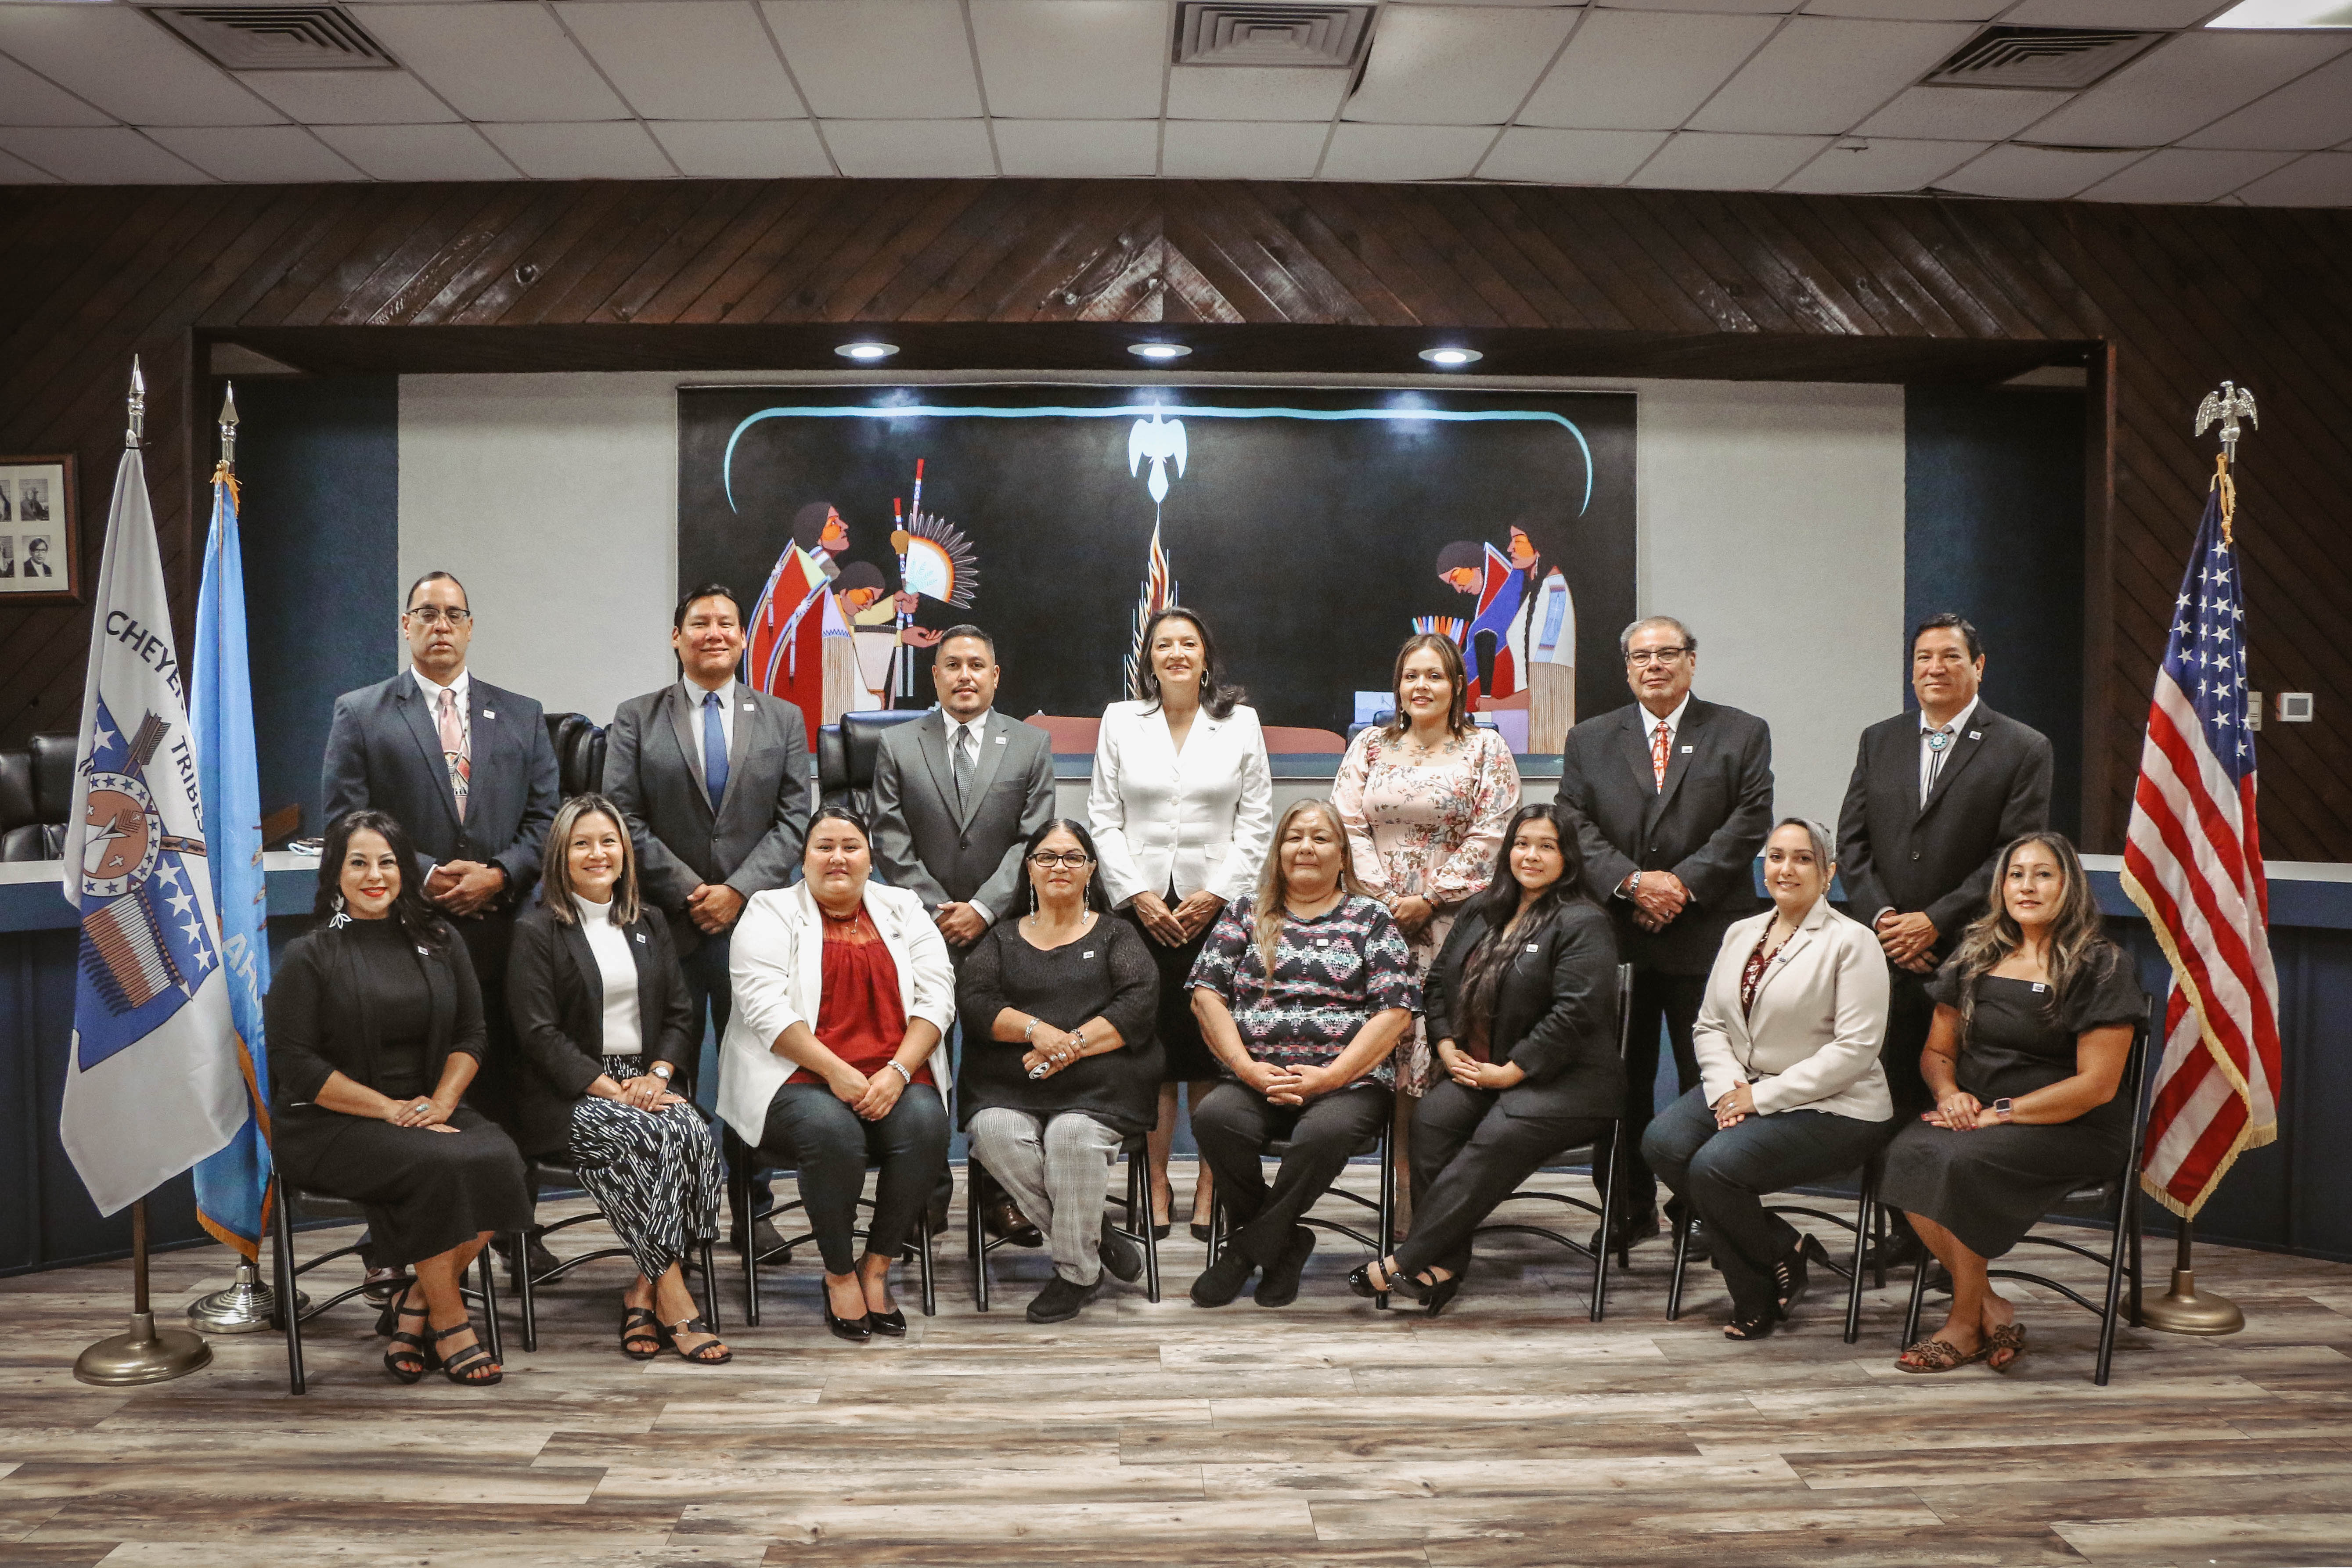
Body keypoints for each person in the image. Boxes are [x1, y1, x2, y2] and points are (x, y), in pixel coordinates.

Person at [322, 570, 560, 1287]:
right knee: (408, 1077)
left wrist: (499, 873)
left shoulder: (520, 715)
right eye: (426, 613)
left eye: (454, 614)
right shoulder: (362, 713)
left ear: (471, 626)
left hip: (503, 929)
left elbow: (546, 821)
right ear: (406, 625)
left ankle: (515, 1226)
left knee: (507, 1077)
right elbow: (345, 821)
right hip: (407, 931)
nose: (441, 626)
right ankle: (393, 1243)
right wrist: (424, 875)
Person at [264, 809, 531, 1387]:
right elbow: (296, 1065)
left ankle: (414, 1304)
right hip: (330, 1121)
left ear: (406, 870)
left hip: (426, 1107)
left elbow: (471, 1034)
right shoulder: (310, 954)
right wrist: (389, 1110)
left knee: (503, 1161)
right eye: (358, 863)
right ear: (335, 873)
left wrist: (441, 1103)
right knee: (438, 1165)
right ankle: (451, 1324)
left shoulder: (441, 940)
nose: (374, 875)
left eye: (387, 862)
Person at [1881, 833, 2143, 1374]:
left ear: (2069, 885)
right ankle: (1989, 1305)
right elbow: (1937, 1051)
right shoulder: (1974, 954)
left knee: (1958, 1162)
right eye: (2015, 874)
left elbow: (2096, 1085)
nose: (2026, 886)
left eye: (2042, 874)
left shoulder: (2100, 964)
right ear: (2000, 887)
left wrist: (1997, 1113)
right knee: (1903, 1152)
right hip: (1976, 1114)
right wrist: (1949, 1094)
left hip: (2072, 1123)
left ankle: (1961, 1323)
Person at [603, 582, 811, 1261]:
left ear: (743, 638)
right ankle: (686, 1215)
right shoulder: (637, 717)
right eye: (699, 623)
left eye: (726, 623)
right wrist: (696, 890)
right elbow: (621, 817)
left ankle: (754, 1211)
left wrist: (738, 892)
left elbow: (795, 821)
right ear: (677, 637)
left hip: (755, 926)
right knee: (672, 1069)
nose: (714, 633)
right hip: (667, 925)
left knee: (754, 1070)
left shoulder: (782, 718)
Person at [1552, 615, 1772, 1255]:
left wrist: (1677, 886)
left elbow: (1749, 819)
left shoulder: (1740, 731)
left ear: (1691, 661)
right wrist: (1632, 884)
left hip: (1705, 933)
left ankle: (1702, 1206)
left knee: (1708, 1076)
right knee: (1617, 1077)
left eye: (1667, 653)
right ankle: (1626, 1207)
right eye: (1641, 656)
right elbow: (1572, 820)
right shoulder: (1590, 738)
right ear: (1626, 668)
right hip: (1616, 935)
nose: (1654, 665)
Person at [1353, 804, 1620, 1316]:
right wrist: (1446, 1046)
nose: (1531, 855)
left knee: (1497, 1134)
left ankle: (1407, 1259)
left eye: (1546, 846)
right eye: (1522, 843)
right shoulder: (1482, 908)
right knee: (1432, 1120)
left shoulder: (1584, 921)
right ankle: (1443, 1264)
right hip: (1482, 1069)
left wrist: (1513, 1070)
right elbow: (1437, 983)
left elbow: (1576, 1012)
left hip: (1565, 1080)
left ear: (1567, 857)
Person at [1642, 819, 1895, 1341]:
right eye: (1776, 856)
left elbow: (1854, 1051)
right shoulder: (1741, 932)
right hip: (1743, 1084)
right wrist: (1726, 1091)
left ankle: (1754, 1295)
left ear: (1827, 873)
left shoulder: (1853, 942)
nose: (1786, 868)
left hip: (1838, 1103)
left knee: (1716, 1166)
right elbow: (1710, 1024)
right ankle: (1781, 1246)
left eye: (1803, 858)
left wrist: (1757, 1098)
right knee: (1663, 1142)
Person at [507, 795, 731, 1365]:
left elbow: (679, 1014)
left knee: (692, 1132)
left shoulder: (649, 920)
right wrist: (613, 1089)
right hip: (568, 1091)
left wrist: (657, 1074)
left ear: (625, 851)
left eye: (608, 841)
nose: (597, 853)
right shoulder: (536, 930)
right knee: (648, 1134)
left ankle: (642, 1289)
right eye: (581, 843)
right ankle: (674, 1299)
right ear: (560, 855)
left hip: (644, 1080)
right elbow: (538, 1034)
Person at [717, 807, 954, 1342]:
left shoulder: (904, 906)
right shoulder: (769, 909)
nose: (838, 857)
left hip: (893, 1070)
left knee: (926, 1126)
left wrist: (899, 1069)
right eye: (824, 846)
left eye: (851, 846)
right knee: (833, 1134)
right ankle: (839, 1272)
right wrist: (837, 1071)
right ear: (803, 860)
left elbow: (938, 996)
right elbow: (764, 1010)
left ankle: (876, 1265)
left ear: (871, 858)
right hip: (795, 1074)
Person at [1185, 799, 1418, 1309]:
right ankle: (1285, 1243)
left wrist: (1329, 1077)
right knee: (1215, 1118)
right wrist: (1246, 1068)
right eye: (1294, 837)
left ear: (1342, 854)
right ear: (1278, 851)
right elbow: (1205, 995)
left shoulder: (1371, 917)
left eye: (1319, 837)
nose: (1305, 847)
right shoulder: (1245, 911)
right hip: (1255, 1077)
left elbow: (1395, 1012)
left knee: (1322, 1135)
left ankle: (1245, 1250)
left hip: (1348, 1083)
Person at [1089, 607, 1274, 1241]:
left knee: (1210, 1052)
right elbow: (1102, 816)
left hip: (1217, 909)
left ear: (1204, 657)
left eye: (1187, 643)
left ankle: (1209, 1182)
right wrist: (1138, 895)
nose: (1175, 653)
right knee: (1154, 1052)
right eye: (1163, 643)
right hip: (1142, 911)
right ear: (1149, 657)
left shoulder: (1240, 722)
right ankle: (1156, 1180)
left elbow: (1257, 819)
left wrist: (1217, 893)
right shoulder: (1120, 720)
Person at [872, 623, 1057, 1247]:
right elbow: (888, 837)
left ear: (995, 676)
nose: (965, 675)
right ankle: (923, 1197)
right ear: (935, 676)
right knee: (922, 1063)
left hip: (1002, 932)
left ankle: (999, 1197)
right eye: (952, 664)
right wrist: (938, 909)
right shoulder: (898, 744)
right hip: (919, 931)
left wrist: (981, 907)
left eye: (977, 664)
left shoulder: (1029, 744)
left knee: (999, 1066)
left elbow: (1034, 838)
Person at [1333, 633, 1519, 1232]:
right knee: (1387, 1057)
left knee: (1439, 1056)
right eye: (1411, 675)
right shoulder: (1369, 745)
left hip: (1457, 926)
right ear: (1398, 685)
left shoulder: (1486, 748)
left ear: (1457, 685)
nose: (1421, 686)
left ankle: (1442, 1206)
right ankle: (1401, 1201)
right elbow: (1346, 825)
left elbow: (1494, 832)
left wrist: (1430, 898)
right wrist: (1389, 902)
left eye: (1435, 676)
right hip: (1375, 924)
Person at [1837, 614, 2055, 1122]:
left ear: (1978, 666)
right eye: (1923, 657)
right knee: (1877, 1101)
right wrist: (1886, 921)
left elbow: (2012, 855)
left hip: (1968, 953)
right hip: (1884, 954)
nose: (1934, 667)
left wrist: (1934, 920)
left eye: (1950, 656)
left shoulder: (2022, 747)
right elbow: (1850, 842)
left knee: (1947, 1105)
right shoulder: (1878, 739)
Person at [956, 819, 1162, 1322]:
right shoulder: (1001, 938)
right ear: (1028, 868)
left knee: (1071, 1137)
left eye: (1073, 857)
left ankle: (1075, 1272)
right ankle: (1096, 1236)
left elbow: (1138, 1004)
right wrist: (1036, 1031)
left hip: (1101, 1085)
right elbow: (976, 1002)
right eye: (1046, 856)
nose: (1059, 866)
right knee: (993, 1131)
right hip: (1009, 1084)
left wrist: (1067, 1046)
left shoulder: (1117, 933)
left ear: (1091, 869)